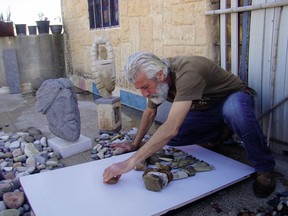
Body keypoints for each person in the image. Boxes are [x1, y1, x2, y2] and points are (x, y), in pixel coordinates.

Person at [103, 51, 276, 198]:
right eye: (140, 88)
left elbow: (170, 127)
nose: (144, 94)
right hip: (206, 109)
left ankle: (264, 168)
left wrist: (129, 163)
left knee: (234, 111)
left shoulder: (188, 72)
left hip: (232, 98)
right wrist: (135, 143)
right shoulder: (157, 79)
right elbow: (150, 112)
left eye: (145, 87)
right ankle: (220, 134)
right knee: (175, 139)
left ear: (161, 75)